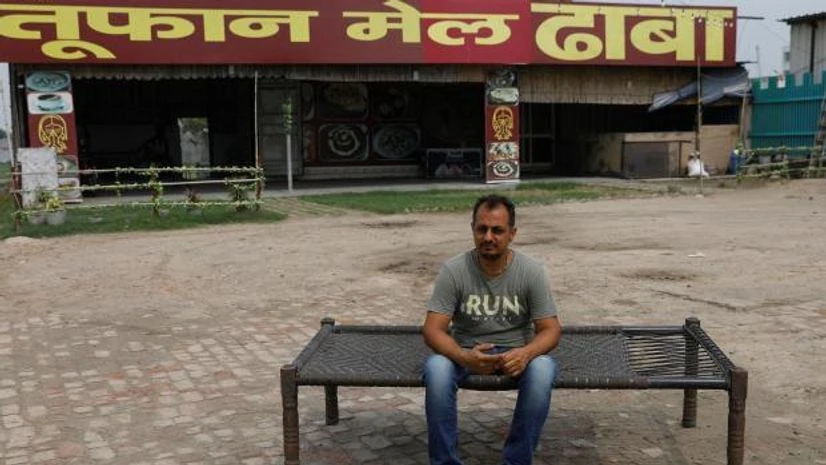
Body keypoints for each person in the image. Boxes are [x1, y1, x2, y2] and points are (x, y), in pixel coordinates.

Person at [422, 194, 562, 465]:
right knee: (436, 369)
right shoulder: (454, 270)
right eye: (481, 229)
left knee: (544, 368)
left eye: (497, 230)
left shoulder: (531, 272)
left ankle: (517, 461)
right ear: (472, 230)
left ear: (512, 234)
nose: (488, 237)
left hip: (515, 355)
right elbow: (432, 329)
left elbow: (551, 329)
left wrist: (525, 353)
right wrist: (464, 357)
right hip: (465, 352)